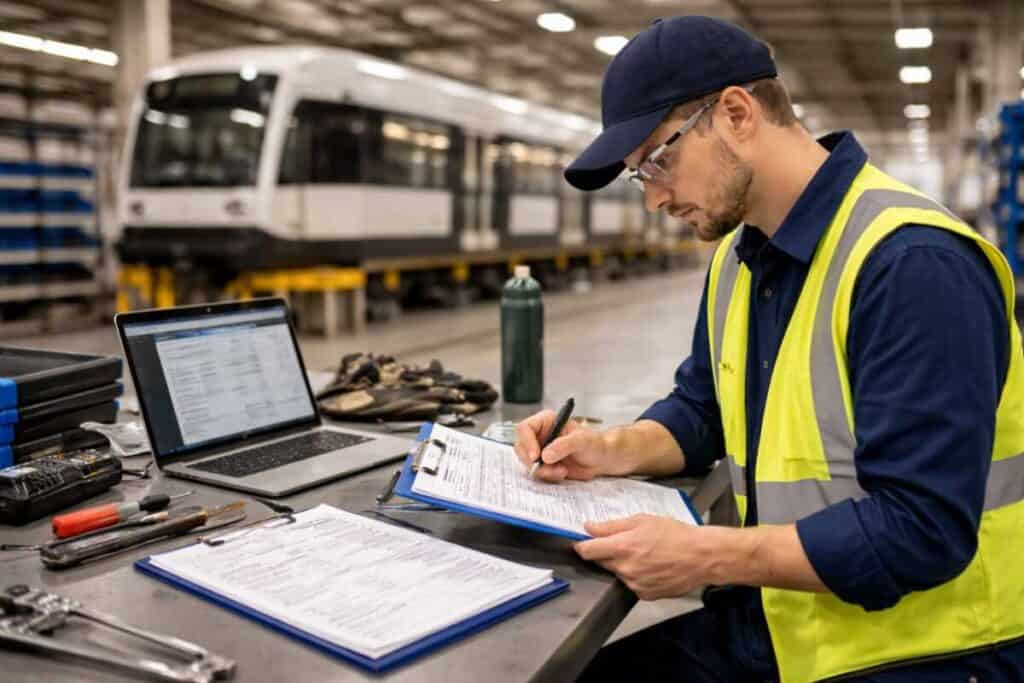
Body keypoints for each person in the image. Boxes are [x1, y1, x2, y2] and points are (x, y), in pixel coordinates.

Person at [515, 15, 1024, 683]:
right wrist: (608, 448)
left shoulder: (910, 265)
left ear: (735, 113)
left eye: (659, 159)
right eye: (641, 177)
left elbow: (922, 530)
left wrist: (703, 555)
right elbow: (704, 408)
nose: (656, 199)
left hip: (924, 651)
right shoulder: (738, 256)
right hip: (788, 624)